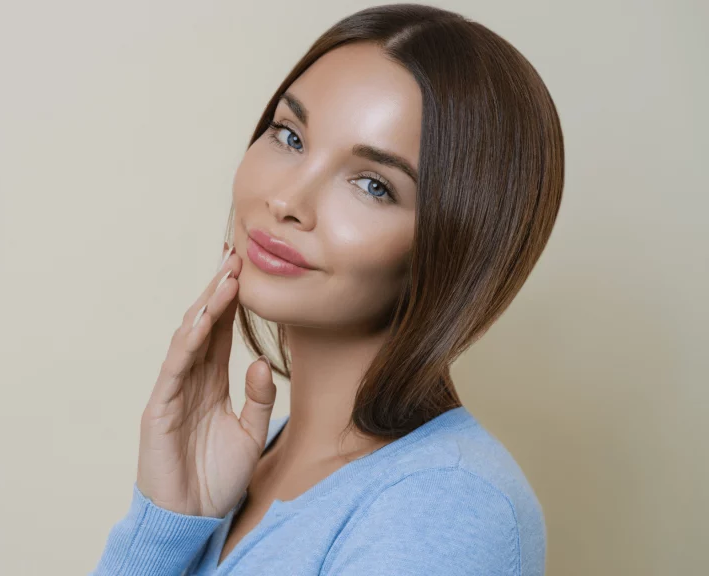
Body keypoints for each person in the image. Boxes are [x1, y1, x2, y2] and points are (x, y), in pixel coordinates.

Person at [91, 3, 563, 574]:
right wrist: (167, 523)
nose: (288, 201)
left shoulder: (444, 509)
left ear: (457, 248)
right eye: (289, 136)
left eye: (372, 185)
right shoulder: (254, 460)